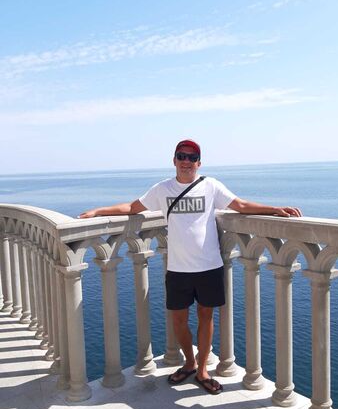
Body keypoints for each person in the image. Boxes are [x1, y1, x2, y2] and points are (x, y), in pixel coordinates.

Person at [79, 139, 302, 394]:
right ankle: (189, 362)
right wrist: (98, 212)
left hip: (209, 266)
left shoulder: (210, 186)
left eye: (192, 157)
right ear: (174, 160)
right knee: (179, 319)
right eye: (182, 156)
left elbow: (239, 206)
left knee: (206, 317)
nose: (186, 161)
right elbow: (132, 207)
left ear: (199, 163)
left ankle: (203, 369)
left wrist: (274, 210)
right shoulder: (162, 189)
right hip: (178, 268)